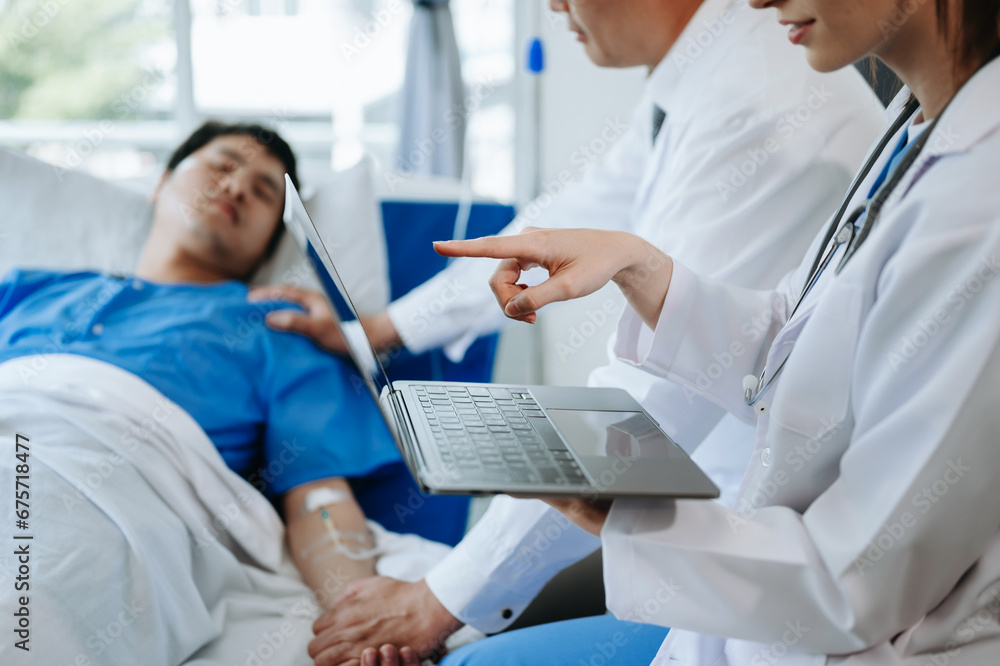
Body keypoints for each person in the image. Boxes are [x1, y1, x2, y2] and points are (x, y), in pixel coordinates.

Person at [264, 0, 885, 663]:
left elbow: (648, 414)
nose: (552, 5)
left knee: (469, 654)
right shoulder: (701, 81)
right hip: (714, 528)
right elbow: (556, 227)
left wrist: (437, 600)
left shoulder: (757, 104)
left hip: (751, 552)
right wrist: (379, 330)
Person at [427, 0, 1000, 662]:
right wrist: (641, 267)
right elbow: (794, 341)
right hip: (757, 602)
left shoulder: (978, 207)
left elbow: (853, 586)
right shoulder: (919, 125)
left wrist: (616, 511)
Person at [0, 121, 404, 602]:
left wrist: (357, 606)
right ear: (161, 182)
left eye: (263, 191)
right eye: (223, 165)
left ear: (270, 242)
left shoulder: (282, 327)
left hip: (99, 504)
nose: (236, 186)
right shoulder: (29, 289)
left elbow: (320, 499)